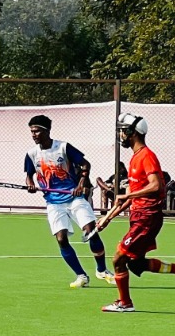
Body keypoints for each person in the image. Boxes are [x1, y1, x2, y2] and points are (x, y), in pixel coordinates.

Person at [97, 114, 175, 313]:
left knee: (118, 259)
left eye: (122, 130)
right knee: (136, 265)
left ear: (132, 133)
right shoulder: (135, 158)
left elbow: (156, 186)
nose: (120, 134)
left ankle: (125, 303)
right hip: (139, 217)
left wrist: (130, 194)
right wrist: (108, 217)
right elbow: (127, 198)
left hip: (147, 218)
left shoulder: (146, 156)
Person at [22, 115, 112, 288]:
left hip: (74, 198)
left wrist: (80, 184)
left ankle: (102, 270)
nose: (34, 135)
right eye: (32, 131)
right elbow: (29, 175)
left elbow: (85, 165)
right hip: (53, 202)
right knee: (61, 239)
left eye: (37, 131)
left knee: (91, 231)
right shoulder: (32, 154)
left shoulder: (63, 147)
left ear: (47, 131)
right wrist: (31, 184)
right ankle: (81, 276)